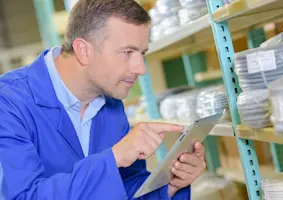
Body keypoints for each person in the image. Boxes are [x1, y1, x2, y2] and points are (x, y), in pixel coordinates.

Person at [0, 0, 207, 199]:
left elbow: (125, 188)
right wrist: (114, 158)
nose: (140, 69)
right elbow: (24, 196)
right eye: (127, 52)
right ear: (83, 50)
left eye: (142, 53)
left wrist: (171, 185)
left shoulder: (110, 103)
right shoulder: (8, 101)